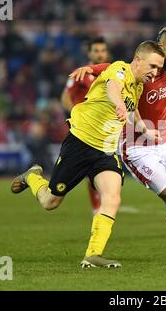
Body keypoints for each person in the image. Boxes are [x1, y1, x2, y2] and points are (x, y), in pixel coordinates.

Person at [11, 41, 165, 268]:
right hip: (80, 144)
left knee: (112, 197)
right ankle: (32, 176)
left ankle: (93, 254)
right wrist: (119, 104)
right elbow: (113, 88)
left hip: (105, 152)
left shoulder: (138, 85)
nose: (155, 72)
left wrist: (144, 129)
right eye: (152, 66)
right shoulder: (120, 69)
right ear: (138, 60)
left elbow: (132, 111)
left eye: (159, 69)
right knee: (50, 202)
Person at [70, 26, 166, 264]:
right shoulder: (141, 71)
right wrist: (92, 69)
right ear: (159, 49)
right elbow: (114, 71)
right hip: (137, 148)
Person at [60, 37, 110, 215]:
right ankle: (97, 207)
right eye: (96, 50)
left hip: (106, 128)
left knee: (102, 167)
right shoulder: (81, 73)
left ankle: (100, 204)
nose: (100, 54)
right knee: (92, 167)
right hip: (85, 129)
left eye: (102, 50)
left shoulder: (110, 73)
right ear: (89, 53)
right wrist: (76, 114)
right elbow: (65, 97)